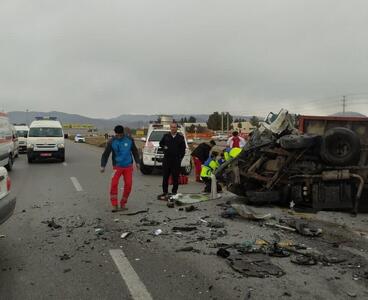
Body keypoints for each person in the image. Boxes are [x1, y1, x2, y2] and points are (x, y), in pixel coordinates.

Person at [100, 125, 140, 212]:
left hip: (128, 166)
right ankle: (114, 204)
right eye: (117, 135)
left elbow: (135, 151)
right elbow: (105, 154)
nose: (119, 137)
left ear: (123, 133)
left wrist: (137, 162)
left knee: (128, 185)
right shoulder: (112, 142)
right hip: (117, 167)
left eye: (120, 135)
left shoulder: (129, 140)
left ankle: (123, 203)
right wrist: (103, 165)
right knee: (114, 184)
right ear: (115, 133)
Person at [158, 122, 186, 200]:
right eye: (172, 127)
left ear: (177, 128)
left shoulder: (180, 138)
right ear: (170, 128)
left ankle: (174, 192)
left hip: (176, 161)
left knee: (175, 178)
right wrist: (164, 147)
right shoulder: (166, 136)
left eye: (175, 127)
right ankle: (165, 192)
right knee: (165, 177)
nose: (173, 128)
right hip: (167, 160)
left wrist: (180, 158)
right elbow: (161, 144)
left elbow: (183, 150)